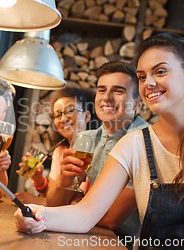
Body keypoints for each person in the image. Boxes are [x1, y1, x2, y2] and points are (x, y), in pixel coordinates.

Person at [14, 33, 184, 249]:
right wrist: (36, 213)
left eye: (160, 72)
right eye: (143, 77)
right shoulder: (134, 144)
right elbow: (85, 214)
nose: (149, 83)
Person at [46, 61, 149, 238]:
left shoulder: (144, 143)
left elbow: (111, 220)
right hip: (88, 235)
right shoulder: (85, 139)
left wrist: (75, 207)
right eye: (101, 90)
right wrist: (64, 180)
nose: (106, 97)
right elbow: (54, 205)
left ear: (138, 104)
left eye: (118, 91)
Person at [15, 86, 94, 205]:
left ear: (87, 116)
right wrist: (39, 180)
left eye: (70, 110)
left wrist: (40, 201)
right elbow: (54, 196)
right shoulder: (60, 151)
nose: (63, 119)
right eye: (57, 115)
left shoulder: (97, 150)